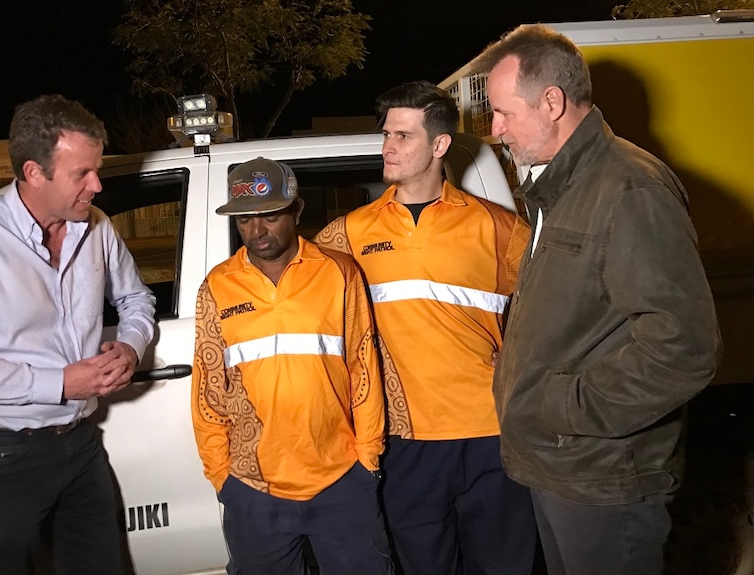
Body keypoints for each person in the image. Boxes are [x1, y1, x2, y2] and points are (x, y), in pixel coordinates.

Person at [469, 24, 722, 575]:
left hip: (603, 475)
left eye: (505, 113)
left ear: (552, 102)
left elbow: (684, 347)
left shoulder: (629, 188)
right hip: (561, 465)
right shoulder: (559, 187)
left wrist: (562, 406)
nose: (495, 129)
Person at [0, 94, 156, 575]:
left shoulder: (98, 228)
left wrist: (131, 345)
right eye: (81, 174)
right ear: (33, 172)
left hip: (79, 445)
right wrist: (60, 384)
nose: (97, 185)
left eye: (96, 169)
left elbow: (136, 300)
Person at [314, 80, 536, 575]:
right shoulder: (348, 235)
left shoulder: (500, 228)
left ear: (439, 145)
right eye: (387, 135)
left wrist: (525, 355)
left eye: (403, 136)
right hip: (405, 441)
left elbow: (554, 310)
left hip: (493, 436)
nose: (388, 147)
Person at [191, 157, 393, 575]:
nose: (257, 231)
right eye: (245, 220)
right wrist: (223, 477)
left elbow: (364, 369)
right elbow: (209, 390)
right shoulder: (217, 287)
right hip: (255, 488)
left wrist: (367, 461)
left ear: (297, 211)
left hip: (340, 481)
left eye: (270, 216)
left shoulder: (339, 272)